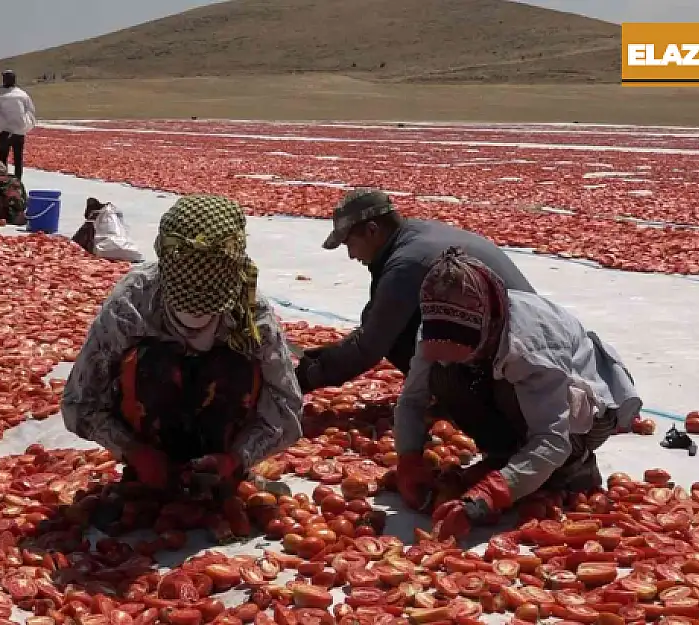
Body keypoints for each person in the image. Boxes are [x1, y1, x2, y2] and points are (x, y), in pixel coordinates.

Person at [61, 194, 303, 499]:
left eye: (209, 308)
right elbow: (79, 402)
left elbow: (287, 407)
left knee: (235, 364)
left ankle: (217, 471)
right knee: (154, 362)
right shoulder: (132, 304)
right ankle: (154, 471)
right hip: (146, 433)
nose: (194, 321)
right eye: (183, 305)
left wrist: (238, 457)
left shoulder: (253, 315)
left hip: (225, 438)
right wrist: (132, 451)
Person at [392, 248, 641, 540]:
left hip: (588, 413)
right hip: (519, 389)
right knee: (444, 376)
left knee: (517, 400)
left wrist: (490, 495)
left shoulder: (531, 344)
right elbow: (412, 400)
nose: (454, 355)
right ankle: (509, 460)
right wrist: (408, 459)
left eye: (464, 347)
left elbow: (552, 438)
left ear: (490, 323)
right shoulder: (439, 323)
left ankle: (572, 468)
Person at [295, 188, 535, 393]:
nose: (351, 255)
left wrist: (301, 379)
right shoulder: (416, 234)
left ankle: (470, 399)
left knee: (396, 335)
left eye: (350, 243)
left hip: (523, 360)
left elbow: (370, 345)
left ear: (371, 230)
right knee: (396, 324)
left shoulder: (408, 262)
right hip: (525, 340)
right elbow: (374, 319)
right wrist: (321, 357)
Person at [0, 70, 36, 180]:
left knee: (2, 158)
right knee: (18, 159)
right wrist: (25, 127)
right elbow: (31, 111)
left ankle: (2, 181)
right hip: (19, 132)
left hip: (5, 131)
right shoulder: (22, 94)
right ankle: (18, 182)